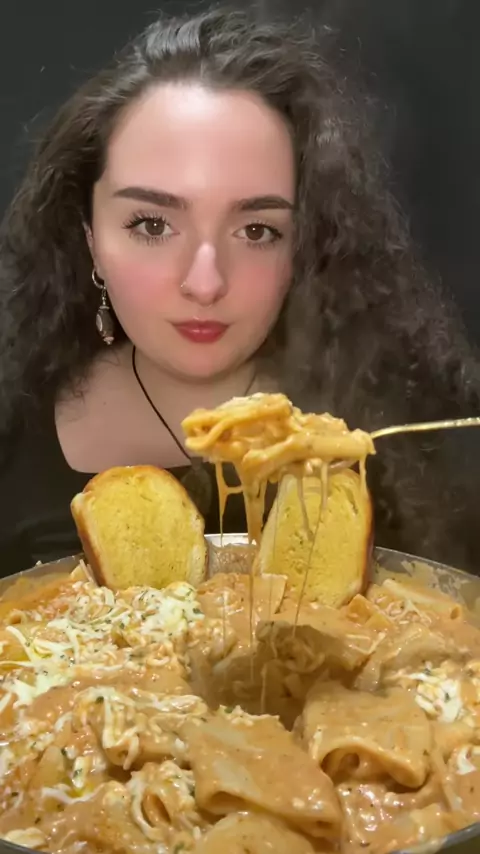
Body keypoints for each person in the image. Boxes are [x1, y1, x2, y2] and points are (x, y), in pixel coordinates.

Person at [0, 8, 479, 578]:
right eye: (152, 224)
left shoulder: (397, 443)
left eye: (256, 231)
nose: (205, 284)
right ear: (89, 238)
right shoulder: (12, 432)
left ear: (305, 244)